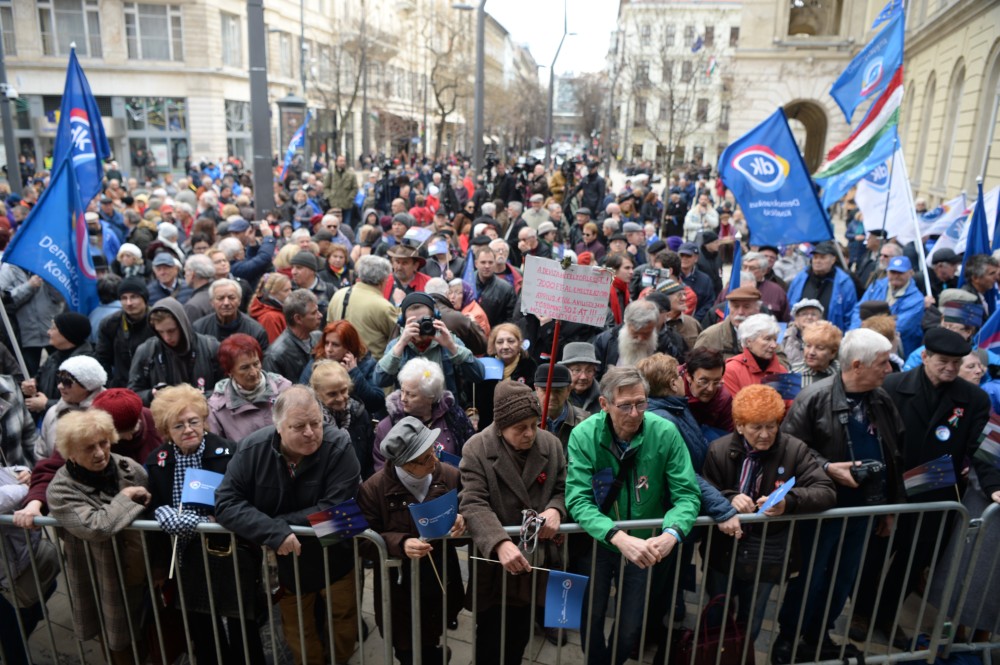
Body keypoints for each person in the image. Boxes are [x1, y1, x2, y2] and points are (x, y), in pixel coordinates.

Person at [855, 328, 1000, 643]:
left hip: (936, 493)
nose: (950, 368)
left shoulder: (973, 398)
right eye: (943, 362)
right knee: (874, 555)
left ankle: (888, 615)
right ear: (925, 357)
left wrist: (993, 487)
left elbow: (983, 446)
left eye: (955, 362)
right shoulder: (892, 386)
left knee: (913, 560)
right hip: (891, 488)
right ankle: (862, 613)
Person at [772, 328, 905, 664]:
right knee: (812, 575)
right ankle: (788, 640)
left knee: (845, 575)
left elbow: (893, 453)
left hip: (863, 510)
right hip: (822, 508)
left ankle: (820, 635)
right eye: (882, 363)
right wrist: (829, 467)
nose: (888, 369)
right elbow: (788, 449)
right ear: (857, 365)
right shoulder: (813, 398)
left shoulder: (881, 399)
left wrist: (890, 508)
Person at [215, 386, 362, 665]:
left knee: (344, 620)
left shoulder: (340, 446)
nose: (310, 432)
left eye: (316, 423)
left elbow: (339, 513)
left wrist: (276, 527)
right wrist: (273, 533)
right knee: (297, 629)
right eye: (299, 426)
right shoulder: (253, 449)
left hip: (335, 554)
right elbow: (225, 502)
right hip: (286, 564)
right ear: (278, 426)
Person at [565, 367, 701, 665]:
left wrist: (672, 533)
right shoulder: (584, 435)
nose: (635, 413)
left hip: (645, 545)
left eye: (641, 403)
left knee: (631, 625)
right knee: (592, 615)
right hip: (599, 543)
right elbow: (578, 499)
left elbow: (687, 494)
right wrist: (616, 535)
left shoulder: (664, 432)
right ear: (604, 405)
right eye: (625, 406)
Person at [702, 384, 836, 640]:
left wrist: (790, 502)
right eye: (756, 427)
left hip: (768, 553)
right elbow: (703, 490)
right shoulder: (718, 450)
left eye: (772, 425)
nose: (765, 434)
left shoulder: (794, 449)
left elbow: (826, 490)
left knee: (751, 620)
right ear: (740, 426)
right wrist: (728, 498)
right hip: (724, 549)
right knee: (716, 614)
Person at [146, 385, 264, 665]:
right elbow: (153, 511)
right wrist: (161, 566)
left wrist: (205, 521)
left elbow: (244, 499)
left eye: (193, 421)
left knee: (242, 625)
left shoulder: (229, 452)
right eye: (178, 425)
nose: (188, 429)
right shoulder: (157, 463)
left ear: (203, 420)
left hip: (230, 553)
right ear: (166, 430)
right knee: (201, 626)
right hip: (187, 558)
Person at [459, 381, 567, 665]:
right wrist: (500, 542)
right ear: (500, 426)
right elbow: (473, 502)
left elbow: (564, 488)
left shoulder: (551, 445)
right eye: (520, 428)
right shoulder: (477, 448)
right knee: (490, 639)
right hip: (495, 566)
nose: (530, 433)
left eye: (533, 424)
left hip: (535, 561)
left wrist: (556, 509)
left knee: (520, 634)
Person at [357, 417, 467, 665]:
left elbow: (469, 504)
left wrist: (463, 520)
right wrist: (400, 544)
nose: (434, 461)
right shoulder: (373, 490)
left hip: (440, 578)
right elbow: (363, 541)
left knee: (433, 636)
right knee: (406, 650)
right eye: (425, 459)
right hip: (399, 590)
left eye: (434, 452)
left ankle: (436, 654)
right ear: (403, 464)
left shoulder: (450, 475)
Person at [46, 410, 151, 665]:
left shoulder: (128, 468)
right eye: (88, 447)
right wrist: (125, 499)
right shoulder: (61, 490)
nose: (100, 453)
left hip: (139, 570)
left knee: (149, 629)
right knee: (116, 638)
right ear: (70, 451)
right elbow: (96, 528)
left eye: (103, 442)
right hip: (100, 575)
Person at [374, 292, 484, 401]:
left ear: (435, 318)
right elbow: (380, 380)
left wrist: (452, 347)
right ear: (403, 323)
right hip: (409, 414)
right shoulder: (397, 345)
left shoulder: (447, 341)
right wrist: (401, 344)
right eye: (415, 323)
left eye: (424, 321)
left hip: (445, 412)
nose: (421, 327)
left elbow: (478, 375)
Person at [373, 357, 475, 472]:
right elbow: (383, 474)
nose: (403, 399)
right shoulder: (388, 426)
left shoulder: (455, 417)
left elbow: (472, 457)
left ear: (429, 398)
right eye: (402, 391)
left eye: (411, 395)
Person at [128, 297, 223, 404]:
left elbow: (226, 388)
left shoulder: (210, 347)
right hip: (163, 416)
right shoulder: (146, 351)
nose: (166, 337)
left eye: (171, 331)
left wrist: (200, 396)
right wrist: (152, 394)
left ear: (182, 325)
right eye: (160, 332)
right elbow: (133, 393)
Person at [207, 334, 291, 443]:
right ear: (230, 372)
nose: (253, 372)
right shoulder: (218, 408)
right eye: (244, 368)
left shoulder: (284, 390)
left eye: (256, 364)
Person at [302, 320, 385, 418]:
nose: (329, 349)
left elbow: (376, 403)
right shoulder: (316, 362)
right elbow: (304, 396)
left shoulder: (366, 364)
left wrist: (355, 373)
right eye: (327, 343)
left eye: (335, 345)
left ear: (350, 347)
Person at [310, 360, 376, 480]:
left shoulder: (360, 413)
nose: (340, 398)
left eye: (344, 391)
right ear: (317, 393)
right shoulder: (311, 423)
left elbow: (370, 460)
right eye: (332, 394)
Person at [327, 255, 400, 361]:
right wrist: (399, 304)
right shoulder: (383, 306)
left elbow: (329, 325)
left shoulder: (339, 294)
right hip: (370, 368)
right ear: (384, 280)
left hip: (339, 363)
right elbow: (398, 336)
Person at [21, 311, 93, 417]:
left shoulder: (86, 364)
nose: (48, 332)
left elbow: (85, 402)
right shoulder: (54, 357)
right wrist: (30, 387)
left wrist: (47, 404)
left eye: (53, 328)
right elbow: (39, 380)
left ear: (67, 333)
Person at [852, 256, 926, 356]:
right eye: (893, 272)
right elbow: (858, 310)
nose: (896, 276)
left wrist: (866, 329)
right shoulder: (876, 286)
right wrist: (855, 332)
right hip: (866, 343)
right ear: (887, 272)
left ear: (910, 273)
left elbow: (900, 326)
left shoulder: (917, 299)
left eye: (900, 273)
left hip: (899, 350)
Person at [39, 357, 107, 459]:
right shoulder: (53, 412)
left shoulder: (106, 414)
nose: (60, 386)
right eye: (59, 380)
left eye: (67, 382)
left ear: (88, 385)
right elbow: (41, 454)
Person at [474, 323, 537, 430]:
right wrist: (473, 414)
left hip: (520, 427)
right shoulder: (484, 365)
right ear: (493, 345)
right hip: (487, 427)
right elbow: (470, 395)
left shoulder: (529, 367)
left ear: (519, 343)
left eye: (511, 341)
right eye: (500, 342)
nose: (505, 346)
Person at [96, 277, 156, 388]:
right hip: (123, 387)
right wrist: (110, 385)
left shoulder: (157, 320)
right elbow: (102, 359)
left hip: (153, 387)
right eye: (124, 298)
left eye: (134, 297)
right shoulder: (110, 324)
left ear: (145, 298)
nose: (129, 303)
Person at [785, 241, 858, 332]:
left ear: (833, 260)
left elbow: (850, 314)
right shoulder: (801, 277)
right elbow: (788, 305)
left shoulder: (844, 282)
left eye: (822, 257)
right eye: (815, 257)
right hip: (800, 335)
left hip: (830, 337)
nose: (817, 261)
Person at [263, 289, 323, 383]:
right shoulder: (275, 355)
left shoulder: (319, 337)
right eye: (314, 313)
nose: (320, 315)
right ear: (298, 319)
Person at [193, 279, 270, 350]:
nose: (226, 303)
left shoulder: (255, 331)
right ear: (212, 302)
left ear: (239, 300)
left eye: (231, 297)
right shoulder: (199, 328)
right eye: (220, 298)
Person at [723, 313, 787, 397]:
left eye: (775, 340)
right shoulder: (731, 370)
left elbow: (790, 406)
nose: (774, 345)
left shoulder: (781, 371)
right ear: (749, 341)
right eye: (767, 339)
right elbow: (735, 407)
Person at [694, 285, 762, 360]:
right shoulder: (709, 337)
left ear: (757, 310)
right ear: (729, 308)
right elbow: (695, 367)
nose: (740, 312)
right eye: (736, 306)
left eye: (746, 307)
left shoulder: (767, 335)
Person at [681, 347, 734, 438]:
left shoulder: (723, 399)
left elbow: (728, 438)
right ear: (689, 376)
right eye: (704, 381)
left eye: (716, 381)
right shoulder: (672, 386)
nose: (710, 389)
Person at [535, 363, 589, 448]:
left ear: (568, 390)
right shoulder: (527, 421)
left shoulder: (585, 422)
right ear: (536, 389)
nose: (551, 397)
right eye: (545, 390)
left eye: (558, 391)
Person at [792, 320, 842, 387]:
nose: (811, 352)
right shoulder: (793, 373)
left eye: (820, 348)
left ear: (833, 352)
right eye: (808, 346)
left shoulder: (842, 374)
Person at [249, 272, 293, 344]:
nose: (291, 293)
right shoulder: (270, 318)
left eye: (291, 289)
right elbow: (273, 348)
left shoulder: (280, 309)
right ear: (273, 292)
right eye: (286, 290)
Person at [560, 342, 603, 414]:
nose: (583, 377)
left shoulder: (604, 397)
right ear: (565, 371)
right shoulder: (553, 397)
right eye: (577, 370)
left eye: (589, 371)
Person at [781, 299, 823, 367]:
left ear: (820, 318)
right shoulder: (785, 336)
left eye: (813, 314)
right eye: (804, 314)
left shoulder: (826, 338)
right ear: (796, 319)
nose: (809, 317)